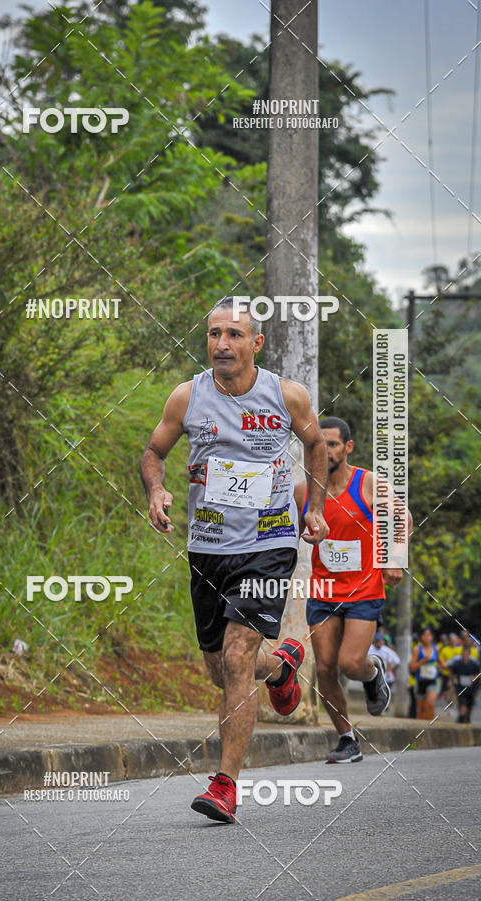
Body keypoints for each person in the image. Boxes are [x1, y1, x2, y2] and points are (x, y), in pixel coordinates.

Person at [139, 296, 329, 823]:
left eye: (234, 335)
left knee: (238, 657)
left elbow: (316, 446)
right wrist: (155, 491)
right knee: (221, 670)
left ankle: (225, 785)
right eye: (214, 334)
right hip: (207, 545)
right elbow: (154, 453)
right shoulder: (187, 397)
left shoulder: (286, 396)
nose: (222, 344)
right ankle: (284, 665)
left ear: (256, 343)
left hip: (269, 543)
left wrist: (312, 508)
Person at [294, 416, 412, 763]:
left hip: (363, 589)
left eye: (333, 444)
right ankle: (347, 738)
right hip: (323, 589)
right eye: (320, 443)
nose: (326, 450)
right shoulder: (303, 489)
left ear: (347, 448)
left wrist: (394, 559)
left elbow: (402, 517)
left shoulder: (368, 483)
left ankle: (372, 671)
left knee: (349, 663)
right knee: (326, 668)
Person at [409, 627, 440, 720]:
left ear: (432, 637)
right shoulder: (417, 649)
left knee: (430, 703)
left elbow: (439, 660)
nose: (427, 637)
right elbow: (412, 667)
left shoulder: (436, 648)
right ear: (421, 637)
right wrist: (423, 660)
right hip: (421, 680)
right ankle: (421, 729)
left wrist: (447, 667)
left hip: (433, 680)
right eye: (424, 635)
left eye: (429, 635)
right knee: (422, 709)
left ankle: (430, 727)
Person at [450, 646, 480, 723]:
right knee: (462, 705)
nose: (465, 656)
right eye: (463, 654)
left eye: (466, 654)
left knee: (469, 707)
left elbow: (478, 675)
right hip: (461, 688)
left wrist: (473, 677)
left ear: (469, 655)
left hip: (471, 688)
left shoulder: (474, 664)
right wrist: (454, 679)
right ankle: (461, 719)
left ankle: (466, 718)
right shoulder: (457, 664)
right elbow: (453, 674)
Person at [438, 633, 462, 702]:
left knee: (453, 690)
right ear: (449, 641)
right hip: (446, 673)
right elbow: (440, 660)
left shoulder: (461, 649)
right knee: (446, 692)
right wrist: (442, 666)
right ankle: (448, 702)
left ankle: (451, 707)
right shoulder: (445, 649)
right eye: (451, 640)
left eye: (454, 640)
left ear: (457, 640)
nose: (453, 641)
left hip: (457, 674)